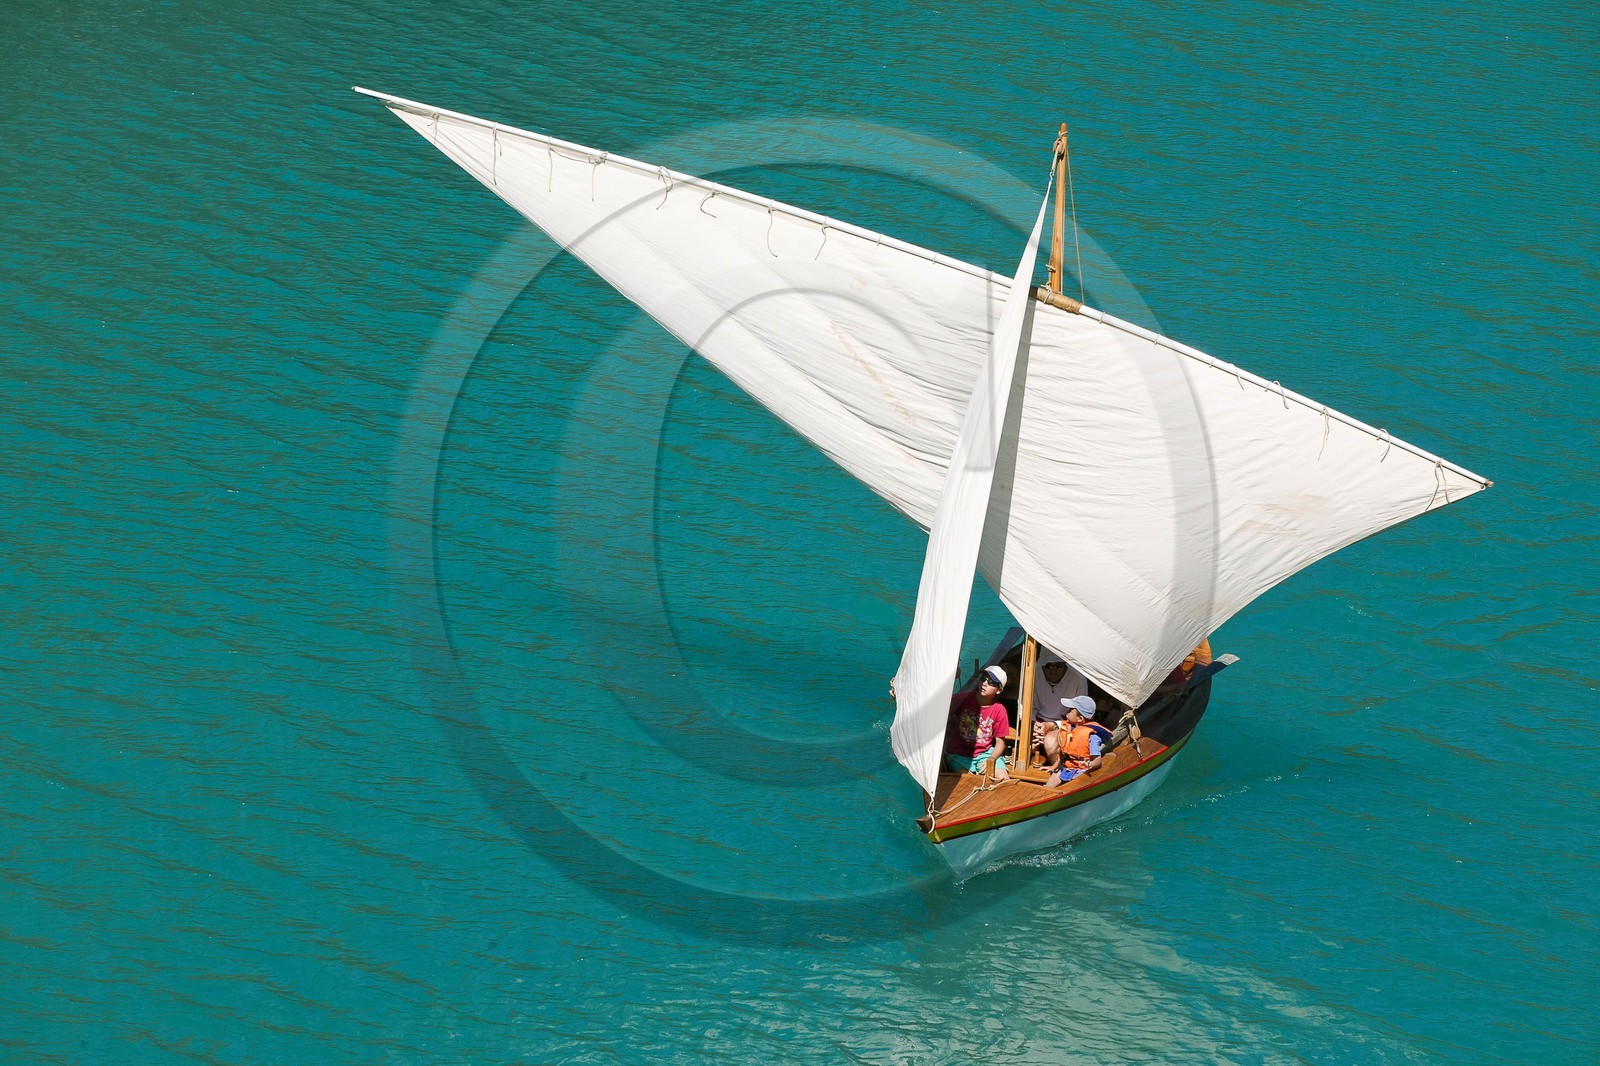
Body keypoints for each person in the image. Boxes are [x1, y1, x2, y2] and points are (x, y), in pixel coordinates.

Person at [944, 665, 1013, 781]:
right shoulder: (964, 698)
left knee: (1003, 780)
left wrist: (991, 759)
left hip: (985, 754)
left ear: (999, 690)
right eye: (983, 679)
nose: (984, 683)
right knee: (966, 782)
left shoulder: (999, 710)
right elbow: (941, 708)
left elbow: (1000, 743)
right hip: (959, 755)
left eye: (991, 682)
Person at [1041, 695, 1110, 787]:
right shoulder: (1069, 729)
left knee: (1073, 786)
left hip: (1081, 770)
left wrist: (1090, 764)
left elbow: (1098, 761)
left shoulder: (1092, 736)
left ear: (1080, 718)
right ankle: (1047, 792)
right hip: (1067, 766)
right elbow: (1063, 753)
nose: (1067, 712)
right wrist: (1054, 766)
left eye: (1070, 710)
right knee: (1051, 781)